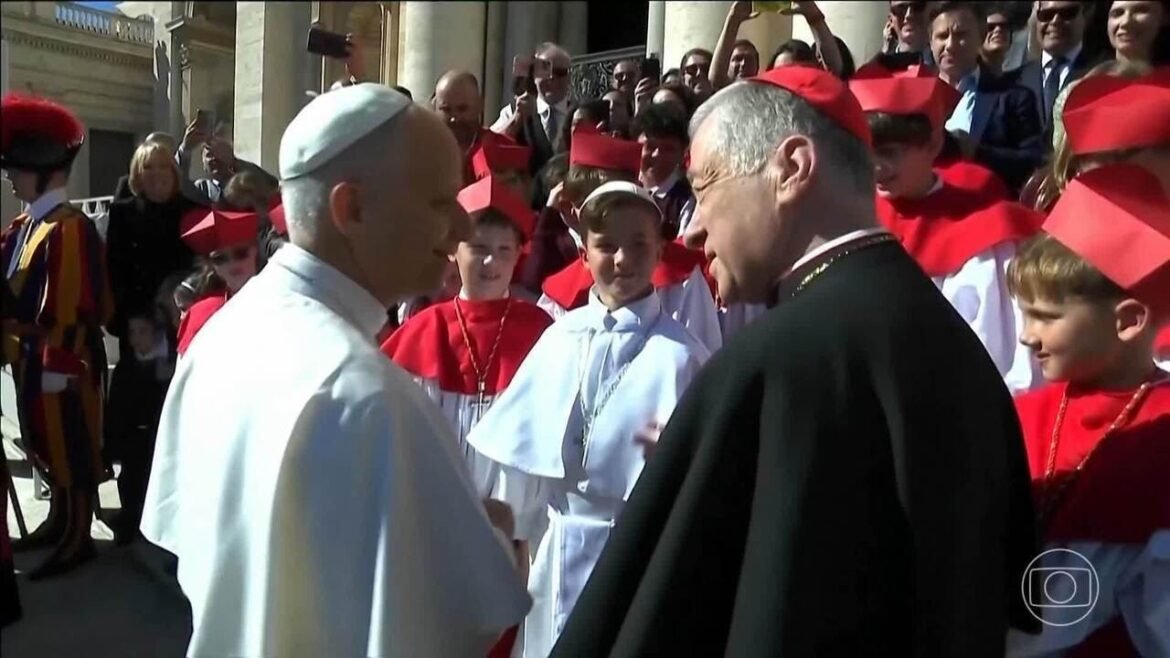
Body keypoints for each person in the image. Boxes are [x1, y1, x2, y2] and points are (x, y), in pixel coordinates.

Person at [549, 66, 1038, 657]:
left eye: (704, 186)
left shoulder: (770, 364)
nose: (694, 231)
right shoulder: (958, 349)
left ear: (792, 169)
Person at [141, 83, 530, 658]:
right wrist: (494, 536)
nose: (462, 228)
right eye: (439, 202)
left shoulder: (226, 328)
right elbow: (453, 619)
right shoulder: (367, 394)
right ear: (352, 209)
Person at [469, 181, 711, 657]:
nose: (622, 259)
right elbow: (519, 470)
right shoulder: (560, 338)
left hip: (634, 551)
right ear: (584, 252)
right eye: (606, 245)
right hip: (554, 546)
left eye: (638, 244)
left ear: (660, 250)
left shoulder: (682, 357)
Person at [1005, 164, 1170, 657]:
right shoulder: (1025, 414)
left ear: (1128, 321)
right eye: (1025, 314)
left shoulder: (1161, 435)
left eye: (1046, 318)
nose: (1026, 336)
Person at [851, 64, 1044, 394]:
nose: (876, 167)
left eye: (890, 153)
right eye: (867, 152)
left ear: (933, 144)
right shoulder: (851, 215)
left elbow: (999, 356)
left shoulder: (984, 238)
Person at [1, 93, 114, 580]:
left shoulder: (68, 228)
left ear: (45, 171)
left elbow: (70, 305)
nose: (9, 176)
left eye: (17, 169)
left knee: (72, 445)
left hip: (62, 359)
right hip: (29, 356)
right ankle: (58, 522)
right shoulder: (24, 225)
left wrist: (57, 366)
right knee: (45, 445)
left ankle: (77, 537)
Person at [381, 175, 551, 496]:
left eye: (503, 250)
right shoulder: (425, 327)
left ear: (519, 253)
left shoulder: (542, 329)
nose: (491, 261)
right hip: (434, 494)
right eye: (479, 248)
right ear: (453, 251)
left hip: (516, 501)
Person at [538, 129, 722, 355]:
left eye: (617, 201)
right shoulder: (558, 297)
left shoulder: (681, 280)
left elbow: (705, 356)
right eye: (589, 203)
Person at [930, 1, 1043, 193]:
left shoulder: (1014, 97)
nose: (950, 45)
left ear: (981, 37)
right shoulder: (914, 95)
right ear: (931, 42)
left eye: (961, 35)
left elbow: (1034, 162)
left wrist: (975, 151)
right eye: (942, 36)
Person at [104, 310, 173, 545]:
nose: (136, 338)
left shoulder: (167, 366)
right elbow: (116, 406)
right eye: (132, 332)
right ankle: (129, 522)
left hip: (155, 438)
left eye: (143, 332)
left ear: (156, 333)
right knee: (129, 482)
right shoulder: (126, 366)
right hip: (131, 437)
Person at [174, 208, 260, 355]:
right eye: (220, 258)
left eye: (240, 253)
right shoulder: (201, 313)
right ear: (211, 265)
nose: (232, 263)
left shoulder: (286, 296)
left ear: (255, 251)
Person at [1017, 1, 1099, 138]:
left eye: (1067, 13)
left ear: (1085, 17)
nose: (1055, 21)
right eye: (1046, 15)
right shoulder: (1015, 79)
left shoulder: (1100, 74)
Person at [491, 42, 575, 177]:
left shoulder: (579, 113)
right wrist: (516, 119)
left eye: (560, 72)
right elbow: (490, 148)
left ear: (569, 77)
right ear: (534, 75)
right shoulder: (513, 111)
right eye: (545, 70)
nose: (552, 78)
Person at [434, 70, 519, 184]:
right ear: (435, 107)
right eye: (446, 109)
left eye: (462, 109)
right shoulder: (422, 151)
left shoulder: (503, 148)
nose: (454, 118)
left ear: (480, 105)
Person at [632, 103, 694, 241]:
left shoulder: (686, 200)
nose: (657, 155)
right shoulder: (623, 184)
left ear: (682, 153)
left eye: (668, 149)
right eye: (650, 146)